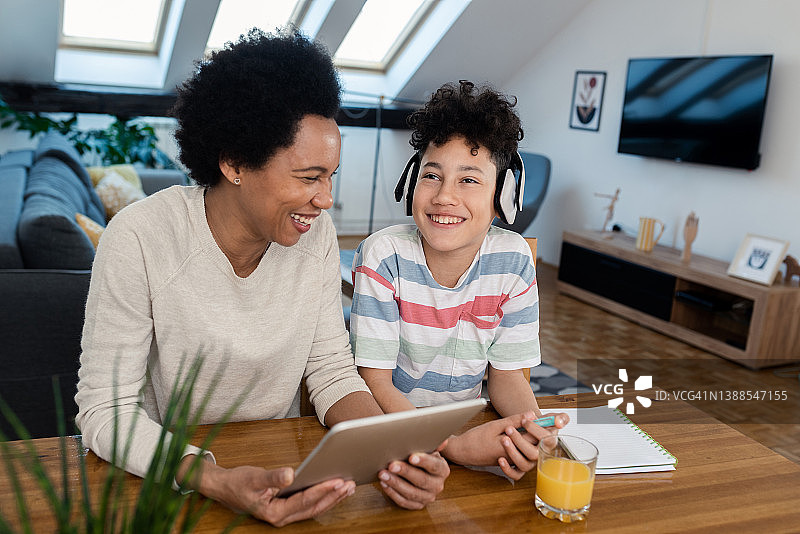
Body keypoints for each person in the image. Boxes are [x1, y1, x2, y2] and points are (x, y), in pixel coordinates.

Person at [75, 28, 451, 527]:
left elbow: (331, 372)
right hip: (162, 483)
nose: (325, 199)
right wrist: (212, 478)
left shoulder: (313, 238)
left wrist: (392, 452)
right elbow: (106, 410)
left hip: (281, 471)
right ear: (234, 162)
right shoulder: (141, 238)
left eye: (331, 176)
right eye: (308, 177)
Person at [349, 81, 569, 480]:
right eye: (432, 176)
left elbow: (506, 380)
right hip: (392, 432)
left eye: (468, 180)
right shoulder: (383, 256)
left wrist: (533, 427)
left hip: (469, 432)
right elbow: (374, 383)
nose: (444, 196)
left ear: (503, 197)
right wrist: (449, 448)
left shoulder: (513, 260)